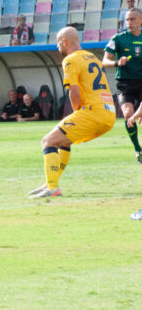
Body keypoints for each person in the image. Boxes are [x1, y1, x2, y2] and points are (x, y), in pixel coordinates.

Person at [29, 27, 115, 199]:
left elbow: (74, 92)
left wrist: (77, 112)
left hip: (92, 112)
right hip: (109, 114)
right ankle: (50, 182)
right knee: (64, 142)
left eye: (57, 42)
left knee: (48, 141)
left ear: (64, 42)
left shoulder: (70, 60)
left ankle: (52, 187)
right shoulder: (93, 58)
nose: (57, 46)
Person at [103, 8, 142, 163]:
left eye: (132, 19)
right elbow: (105, 61)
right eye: (127, 20)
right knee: (128, 115)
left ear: (140, 20)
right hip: (125, 83)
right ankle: (138, 149)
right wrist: (117, 62)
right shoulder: (118, 39)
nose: (129, 23)